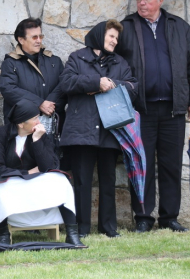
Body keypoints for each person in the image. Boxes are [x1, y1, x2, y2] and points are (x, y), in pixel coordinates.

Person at [115, 0, 190, 233]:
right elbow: (114, 62)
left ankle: (169, 217)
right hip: (140, 110)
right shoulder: (127, 27)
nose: (142, 3)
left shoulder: (179, 27)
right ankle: (142, 217)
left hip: (174, 109)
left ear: (160, 1)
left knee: (171, 164)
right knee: (140, 164)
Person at [59, 19, 138, 238]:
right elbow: (66, 83)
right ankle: (81, 229)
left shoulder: (120, 62)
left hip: (110, 129)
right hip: (81, 129)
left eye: (116, 38)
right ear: (99, 36)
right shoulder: (77, 57)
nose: (115, 41)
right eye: (111, 36)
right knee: (82, 181)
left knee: (108, 180)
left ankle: (108, 228)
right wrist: (96, 82)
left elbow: (134, 88)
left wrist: (111, 83)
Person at [0, 99, 84, 247]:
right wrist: (26, 172)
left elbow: (49, 166)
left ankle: (72, 235)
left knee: (62, 181)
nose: (39, 122)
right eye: (35, 118)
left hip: (35, 182)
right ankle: (4, 235)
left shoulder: (41, 134)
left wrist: (37, 140)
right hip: (9, 183)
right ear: (21, 124)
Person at [0, 18, 65, 126]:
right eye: (34, 37)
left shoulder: (54, 61)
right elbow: (9, 89)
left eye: (40, 36)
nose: (39, 40)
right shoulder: (11, 63)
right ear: (21, 40)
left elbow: (64, 85)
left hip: (53, 126)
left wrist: (49, 105)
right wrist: (39, 103)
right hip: (23, 127)